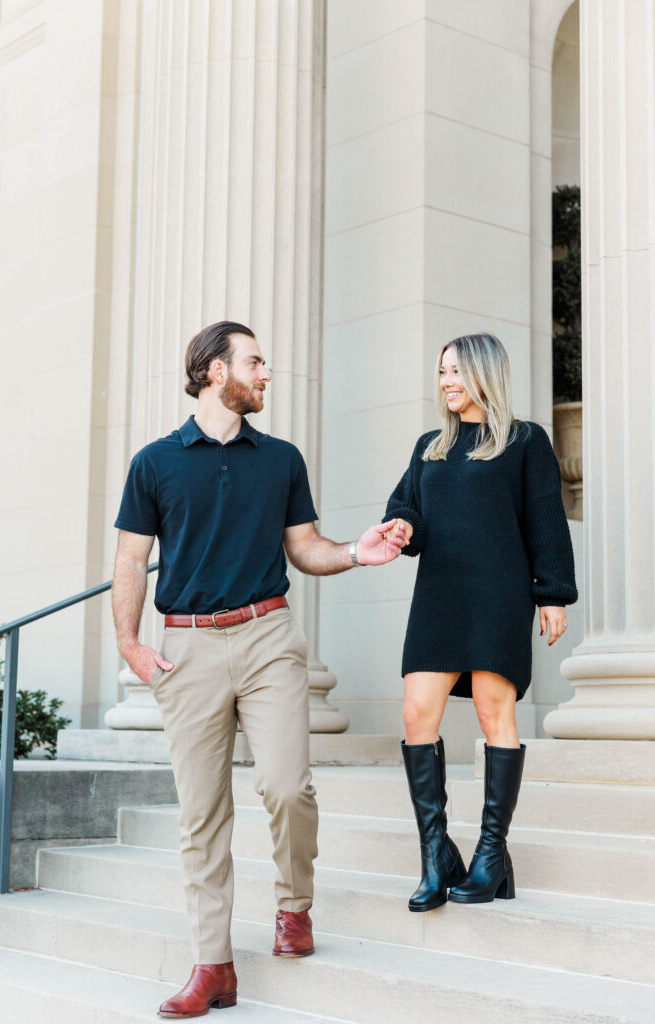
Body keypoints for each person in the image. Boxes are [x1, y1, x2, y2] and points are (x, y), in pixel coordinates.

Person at [111, 321, 407, 1018]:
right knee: (201, 813)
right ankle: (212, 965)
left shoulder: (280, 460)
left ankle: (293, 906)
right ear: (214, 371)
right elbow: (129, 559)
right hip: (187, 646)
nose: (266, 373)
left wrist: (357, 552)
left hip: (268, 634)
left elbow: (305, 548)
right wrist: (129, 642)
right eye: (254, 361)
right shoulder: (155, 463)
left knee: (285, 786)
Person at [383, 333, 577, 913]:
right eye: (442, 371)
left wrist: (553, 594)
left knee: (496, 714)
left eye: (458, 372)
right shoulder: (429, 446)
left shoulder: (523, 440)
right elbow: (405, 507)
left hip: (498, 591)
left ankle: (491, 855)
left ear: (485, 375)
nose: (447, 382)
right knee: (417, 712)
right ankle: (436, 854)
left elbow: (546, 519)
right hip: (439, 594)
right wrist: (399, 528)